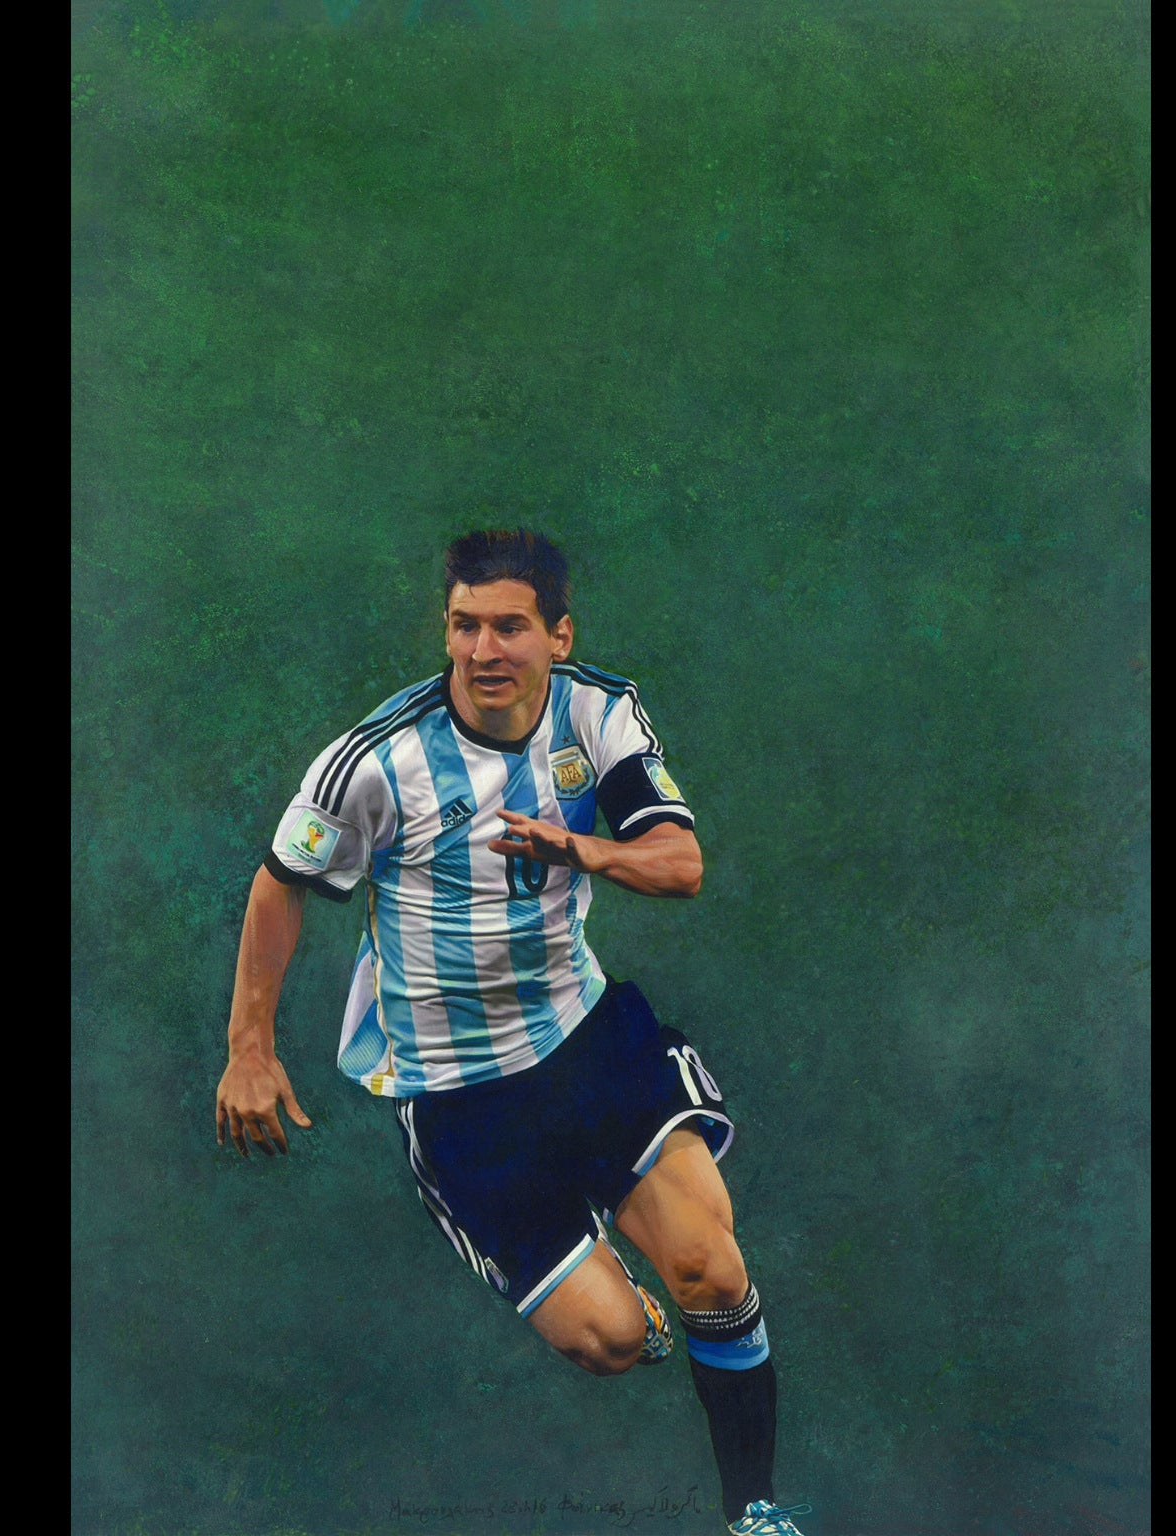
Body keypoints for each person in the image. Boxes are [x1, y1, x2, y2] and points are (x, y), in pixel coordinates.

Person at [216, 529, 811, 1536]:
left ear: (557, 636)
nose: (483, 651)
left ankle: (752, 1510)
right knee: (607, 1343)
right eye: (464, 627)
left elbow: (679, 864)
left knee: (711, 1268)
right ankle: (616, 1294)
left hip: (588, 1043)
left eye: (509, 627)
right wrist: (249, 1048)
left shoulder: (597, 715)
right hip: (461, 1096)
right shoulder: (376, 762)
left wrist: (576, 846)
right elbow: (281, 882)